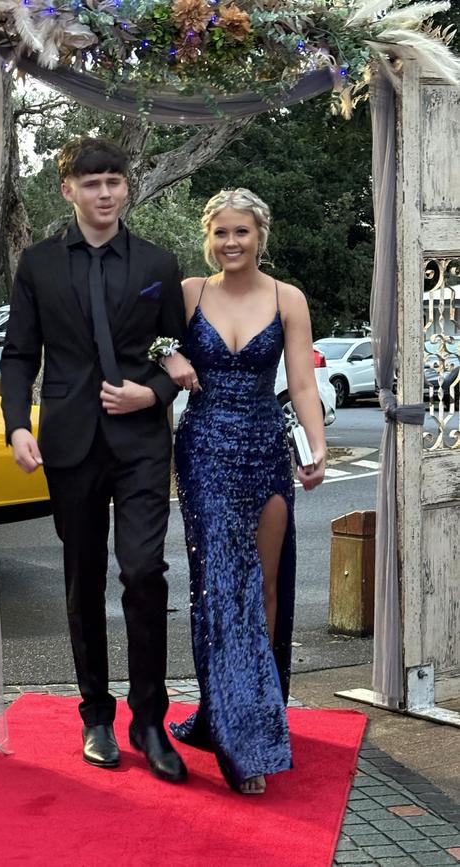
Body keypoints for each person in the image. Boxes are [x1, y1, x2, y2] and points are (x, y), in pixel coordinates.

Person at [0, 137, 188, 783]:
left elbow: (175, 350)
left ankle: (149, 718)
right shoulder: (40, 265)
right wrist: (16, 425)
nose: (104, 192)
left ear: (126, 187)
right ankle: (96, 716)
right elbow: (20, 353)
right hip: (69, 441)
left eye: (114, 180)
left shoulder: (159, 262)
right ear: (68, 190)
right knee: (83, 579)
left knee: (143, 572)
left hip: (140, 444)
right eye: (92, 182)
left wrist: (155, 391)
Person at [159, 188, 326, 794]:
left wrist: (316, 445)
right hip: (203, 450)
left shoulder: (287, 298)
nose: (231, 243)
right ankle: (240, 740)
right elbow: (151, 350)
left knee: (267, 587)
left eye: (242, 233)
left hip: (264, 449)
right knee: (222, 587)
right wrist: (170, 356)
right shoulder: (188, 293)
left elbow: (303, 384)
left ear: (261, 236)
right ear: (210, 237)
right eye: (221, 233)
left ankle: (258, 711)